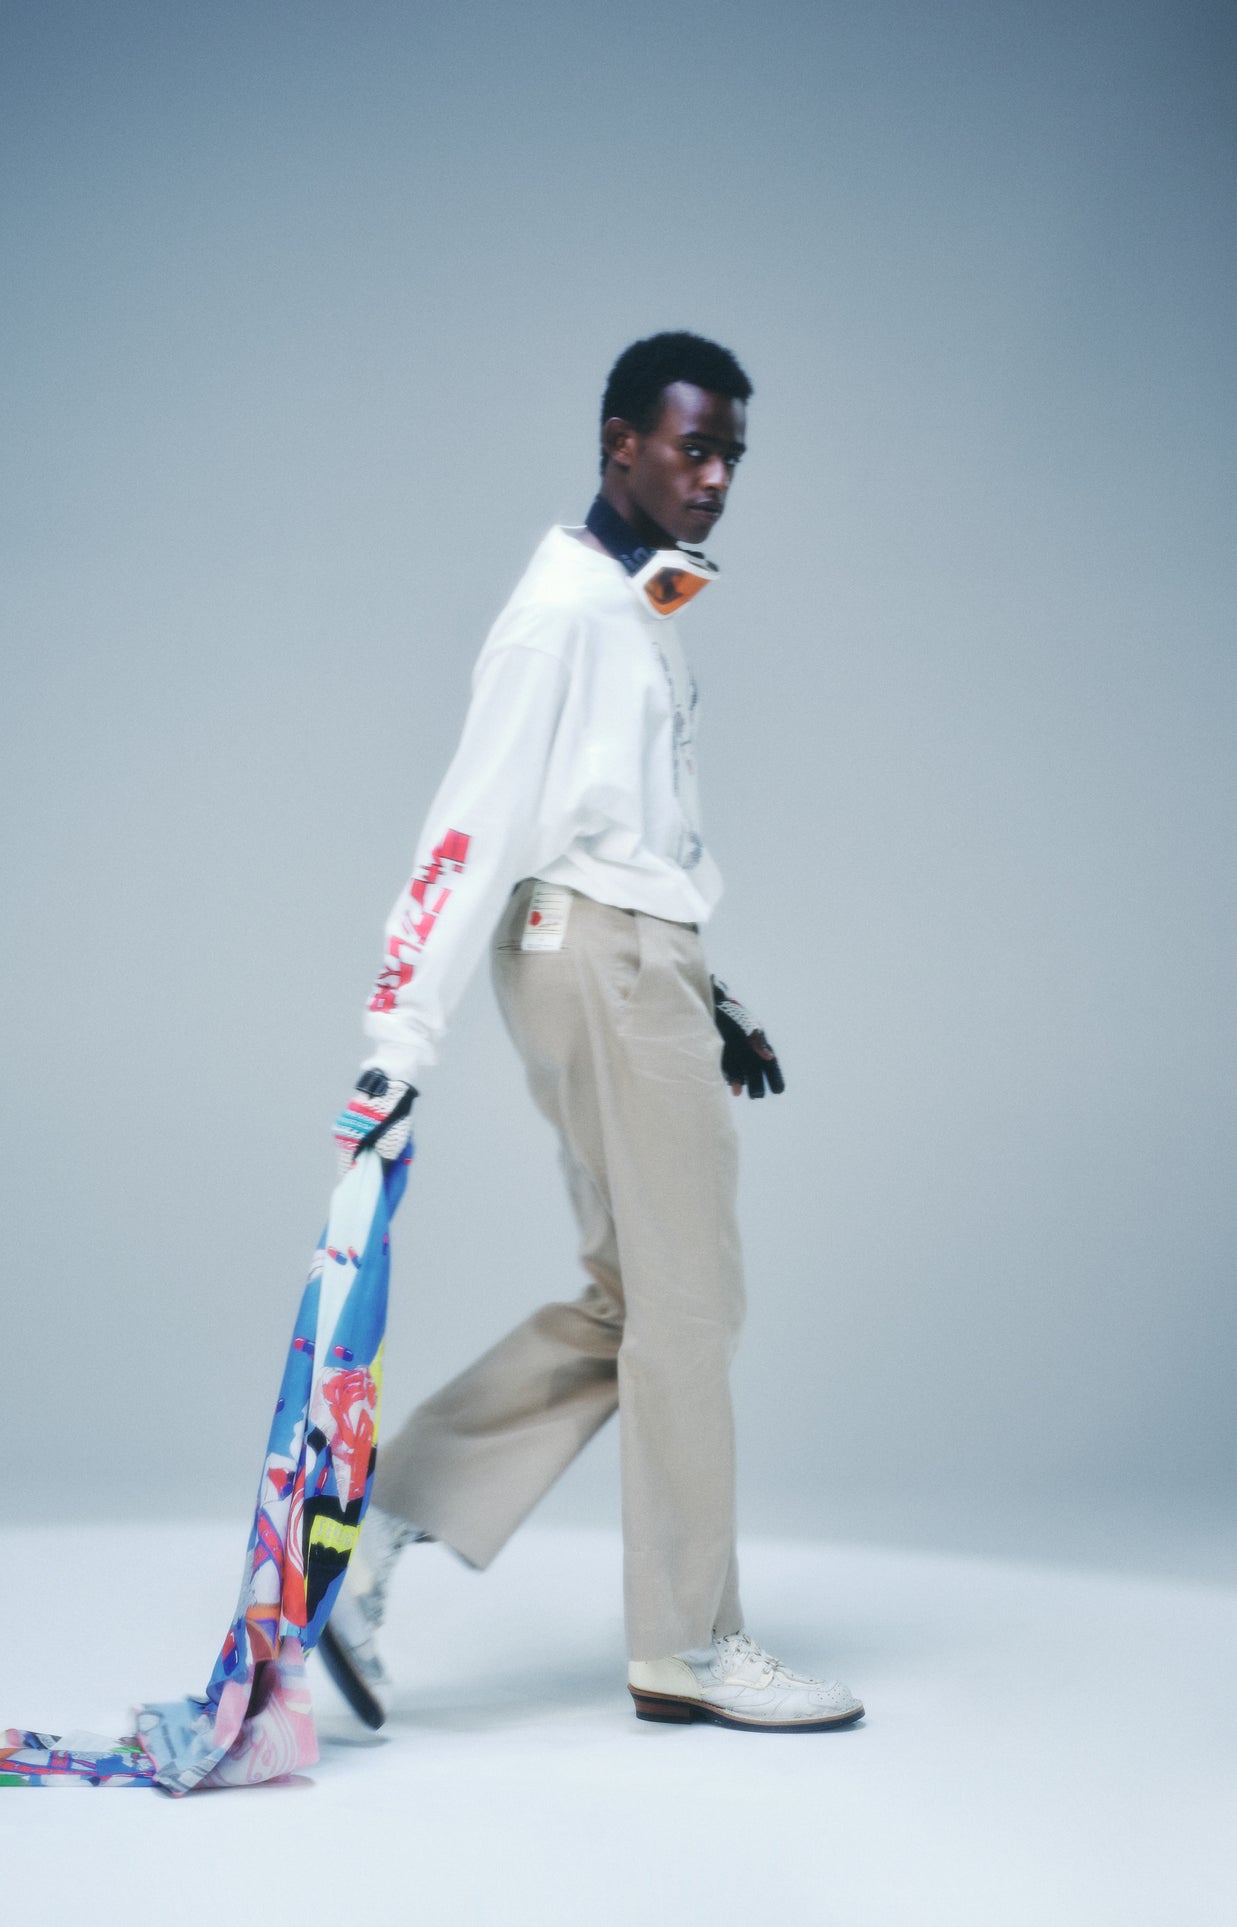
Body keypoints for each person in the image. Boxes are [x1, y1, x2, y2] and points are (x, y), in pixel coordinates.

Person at [322, 332, 864, 1734]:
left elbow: (627, 828)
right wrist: (398, 1037)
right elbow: (472, 825)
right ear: (620, 442)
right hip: (602, 965)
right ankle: (689, 1643)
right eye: (693, 447)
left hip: (635, 962)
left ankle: (381, 1519)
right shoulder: (562, 613)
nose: (717, 476)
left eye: (732, 453)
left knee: (642, 1301)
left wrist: (709, 991)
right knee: (689, 1307)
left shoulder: (638, 605)